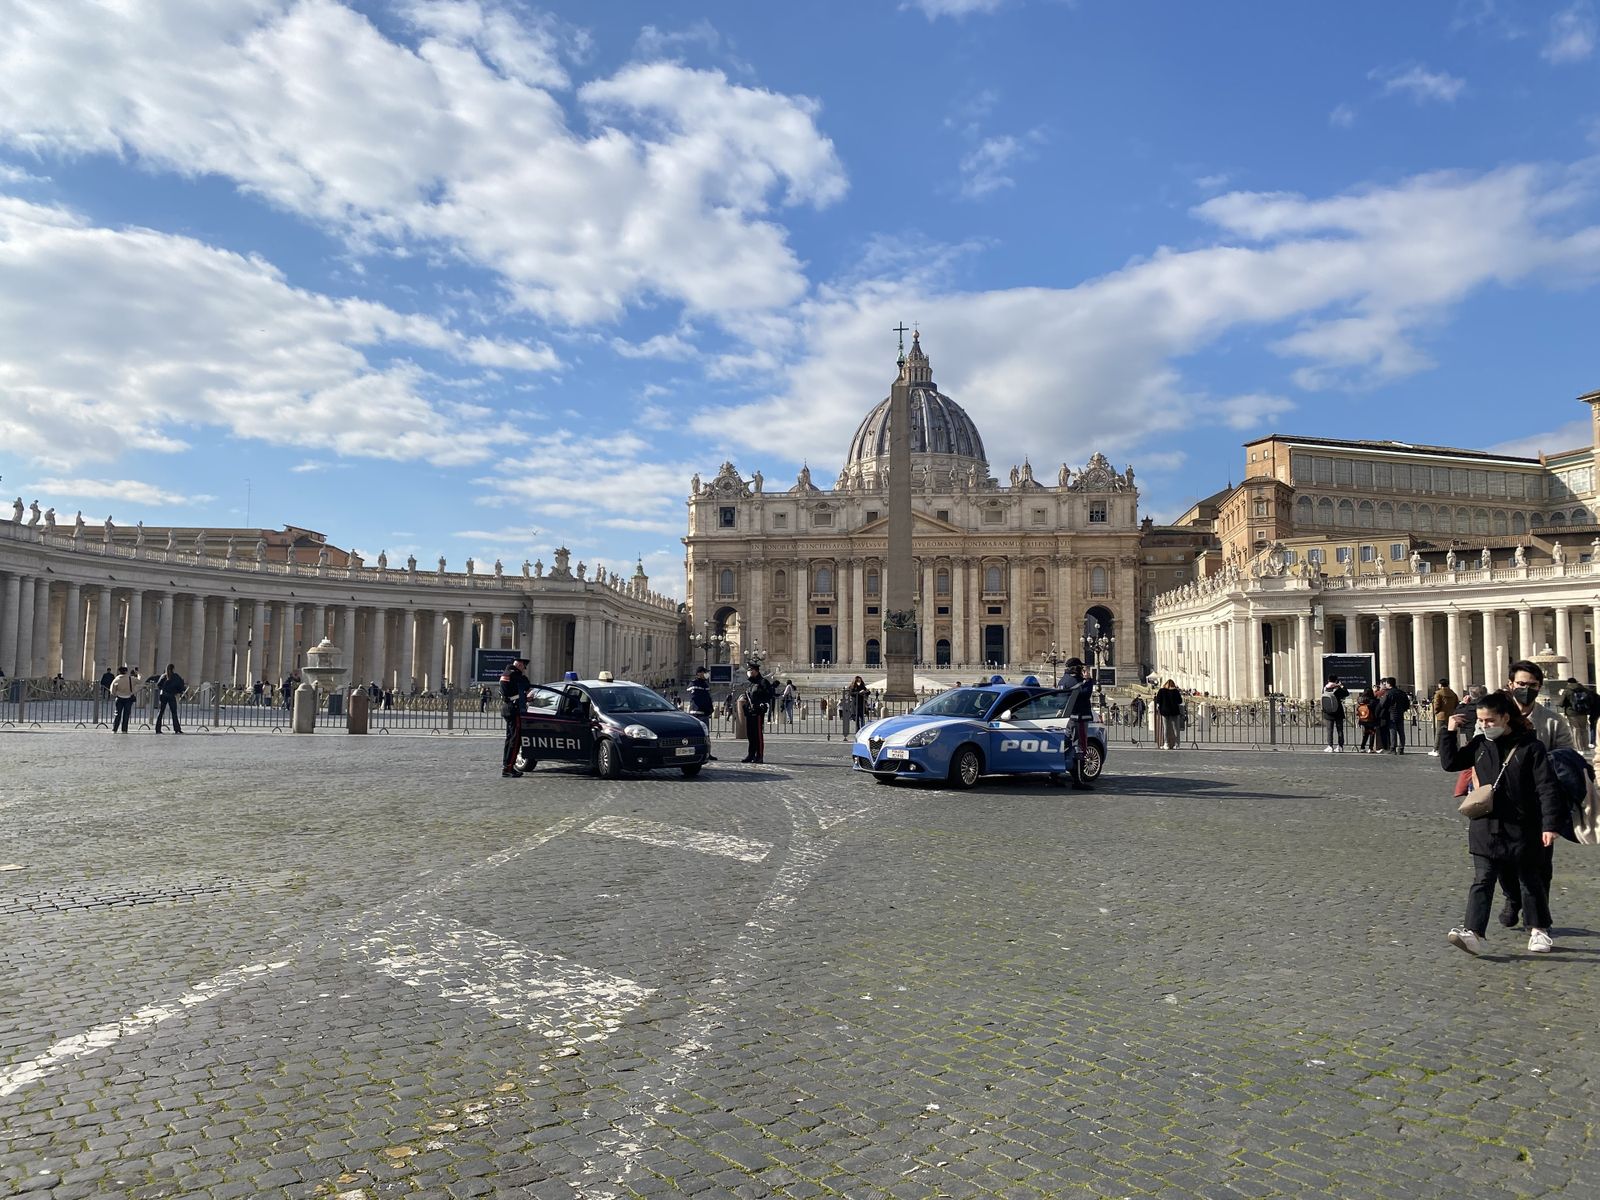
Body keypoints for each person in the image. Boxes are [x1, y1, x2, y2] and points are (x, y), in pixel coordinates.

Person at [1439, 690, 1572, 955]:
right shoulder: (1479, 745)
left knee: (1529, 878)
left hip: (1523, 825)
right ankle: (1474, 932)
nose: (1484, 725)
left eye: (1489, 720)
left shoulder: (1530, 747)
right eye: (1481, 721)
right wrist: (1448, 731)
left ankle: (1539, 929)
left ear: (1505, 717)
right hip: (1486, 825)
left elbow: (1546, 788)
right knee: (1483, 878)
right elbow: (1450, 762)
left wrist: (1549, 825)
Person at [1058, 658, 1096, 789]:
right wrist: (1089, 680)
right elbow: (1085, 695)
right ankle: (1078, 780)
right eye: (1080, 667)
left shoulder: (1063, 680)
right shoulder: (1076, 682)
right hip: (1078, 718)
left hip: (1068, 719)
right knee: (1080, 747)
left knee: (1067, 747)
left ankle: (1055, 775)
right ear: (1076, 668)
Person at [499, 656, 531, 777]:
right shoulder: (516, 676)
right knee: (515, 740)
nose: (523, 670)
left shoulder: (506, 674)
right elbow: (526, 685)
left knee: (509, 739)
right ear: (520, 666)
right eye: (523, 667)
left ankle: (506, 765)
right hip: (514, 709)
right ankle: (509, 768)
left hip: (507, 707)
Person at [739, 664, 776, 763]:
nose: (749, 672)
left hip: (758, 712)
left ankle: (759, 755)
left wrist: (762, 703)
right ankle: (751, 754)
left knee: (758, 735)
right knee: (750, 734)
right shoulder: (751, 684)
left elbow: (769, 694)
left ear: (755, 671)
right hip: (750, 712)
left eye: (750, 670)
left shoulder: (763, 682)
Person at [686, 667, 716, 760]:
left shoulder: (705, 684)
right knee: (695, 736)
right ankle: (691, 753)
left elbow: (708, 698)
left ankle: (707, 753)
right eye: (705, 672)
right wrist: (706, 708)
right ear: (699, 673)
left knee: (706, 735)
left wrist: (710, 709)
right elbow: (697, 699)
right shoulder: (694, 683)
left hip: (705, 713)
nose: (707, 674)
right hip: (697, 713)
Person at [1557, 676, 1591, 753]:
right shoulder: (1584, 689)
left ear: (1568, 683)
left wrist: (1561, 695)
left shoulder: (1567, 690)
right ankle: (1586, 747)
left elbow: (1561, 703)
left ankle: (1579, 748)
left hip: (1572, 713)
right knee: (1584, 729)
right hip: (1583, 713)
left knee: (1576, 730)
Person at [1378, 677, 1411, 754]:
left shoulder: (1389, 693)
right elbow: (1407, 704)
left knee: (1393, 732)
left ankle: (1393, 748)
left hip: (1391, 714)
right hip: (1400, 713)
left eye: (1386, 683)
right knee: (1401, 732)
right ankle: (1401, 748)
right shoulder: (1402, 692)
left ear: (1389, 684)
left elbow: (1382, 703)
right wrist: (1403, 709)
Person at [1428, 678, 1459, 756]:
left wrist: (1436, 712)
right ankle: (1452, 748)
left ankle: (1436, 749)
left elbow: (1436, 705)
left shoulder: (1438, 693)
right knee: (1451, 732)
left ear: (1440, 685)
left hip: (1441, 716)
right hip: (1451, 715)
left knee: (1439, 733)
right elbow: (1456, 704)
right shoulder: (1453, 693)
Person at [154, 663, 185, 734]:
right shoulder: (175, 676)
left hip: (163, 695)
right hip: (171, 695)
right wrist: (178, 691)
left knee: (161, 712)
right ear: (173, 669)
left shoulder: (163, 676)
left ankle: (157, 729)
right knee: (174, 713)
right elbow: (180, 685)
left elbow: (158, 685)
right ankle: (177, 728)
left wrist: (163, 688)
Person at [1321, 676, 1349, 752]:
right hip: (1338, 711)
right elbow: (1346, 693)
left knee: (1329, 730)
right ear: (1336, 680)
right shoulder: (1338, 689)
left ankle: (1330, 746)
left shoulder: (1325, 688)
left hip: (1328, 712)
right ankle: (1340, 746)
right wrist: (1342, 686)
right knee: (1340, 730)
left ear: (1328, 680)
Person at [1154, 678, 1184, 750]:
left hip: (1164, 711)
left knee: (1166, 728)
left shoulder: (1161, 691)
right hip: (1174, 711)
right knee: (1176, 729)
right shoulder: (1176, 691)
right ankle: (1177, 744)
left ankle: (1166, 744)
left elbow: (1158, 701)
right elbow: (1180, 701)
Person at [108, 665, 138, 733]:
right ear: (126, 671)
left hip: (119, 698)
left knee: (117, 714)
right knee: (126, 715)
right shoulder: (131, 678)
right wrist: (138, 673)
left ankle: (114, 729)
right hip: (128, 698)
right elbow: (140, 681)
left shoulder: (117, 679)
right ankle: (124, 729)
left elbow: (112, 690)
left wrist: (115, 693)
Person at [1355, 686, 1380, 753]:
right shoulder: (1373, 700)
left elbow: (1357, 709)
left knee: (1365, 733)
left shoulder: (1360, 699)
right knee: (1372, 733)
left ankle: (1362, 747)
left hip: (1363, 719)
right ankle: (1370, 748)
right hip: (1371, 719)